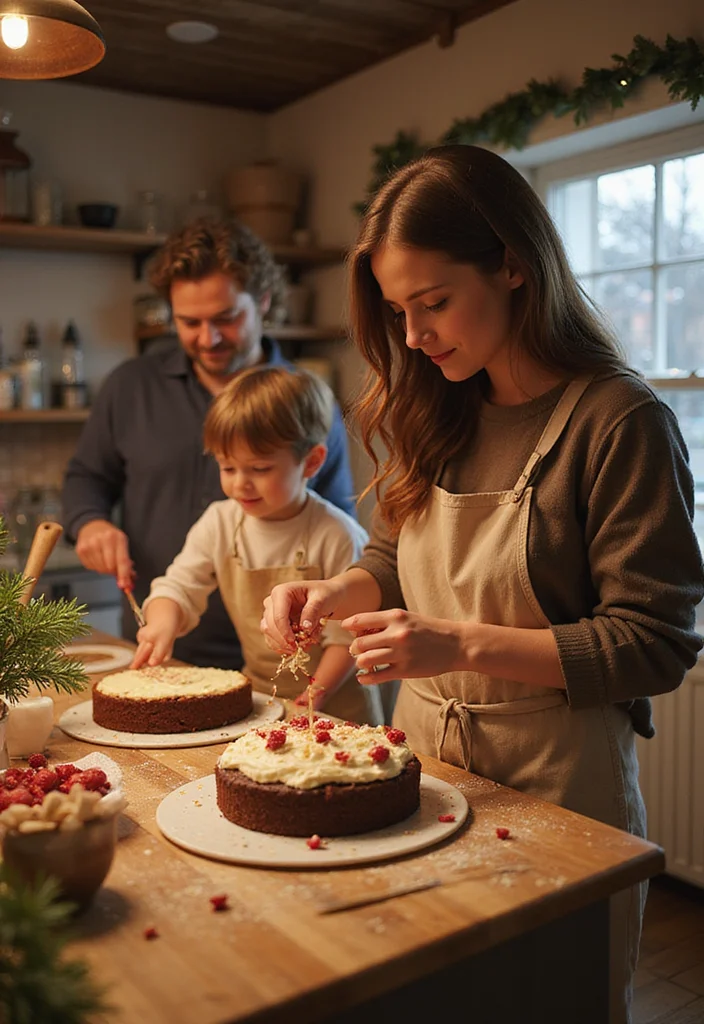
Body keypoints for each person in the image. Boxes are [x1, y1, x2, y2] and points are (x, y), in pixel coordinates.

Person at [260, 145, 704, 1024]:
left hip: (560, 781)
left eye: (434, 303)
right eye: (399, 311)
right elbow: (390, 558)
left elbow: (654, 643)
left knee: (548, 997)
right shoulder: (438, 402)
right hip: (426, 761)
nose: (416, 336)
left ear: (512, 264)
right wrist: (335, 592)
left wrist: (454, 642)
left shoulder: (619, 422)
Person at [61, 217, 356, 669]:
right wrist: (90, 523)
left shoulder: (309, 403)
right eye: (189, 322)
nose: (208, 338)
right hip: (166, 640)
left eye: (226, 318)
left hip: (290, 659)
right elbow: (86, 477)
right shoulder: (130, 387)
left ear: (263, 302)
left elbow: (337, 526)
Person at [131, 365, 381, 725]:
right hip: (262, 699)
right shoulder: (220, 522)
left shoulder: (336, 534)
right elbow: (179, 586)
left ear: (311, 461)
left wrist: (313, 694)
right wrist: (162, 621)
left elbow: (348, 639)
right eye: (228, 468)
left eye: (260, 469)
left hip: (338, 706)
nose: (241, 485)